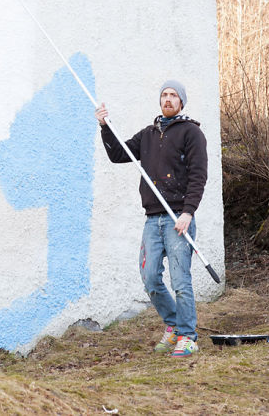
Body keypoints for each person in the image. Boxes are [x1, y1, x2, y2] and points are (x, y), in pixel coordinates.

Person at [94, 80, 208, 357]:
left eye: (173, 96)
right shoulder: (148, 134)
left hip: (177, 218)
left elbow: (198, 176)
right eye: (164, 95)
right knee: (150, 277)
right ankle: (173, 327)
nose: (168, 99)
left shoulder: (191, 133)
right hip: (152, 219)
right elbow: (119, 154)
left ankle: (189, 336)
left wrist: (187, 212)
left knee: (180, 281)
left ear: (181, 101)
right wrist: (105, 127)